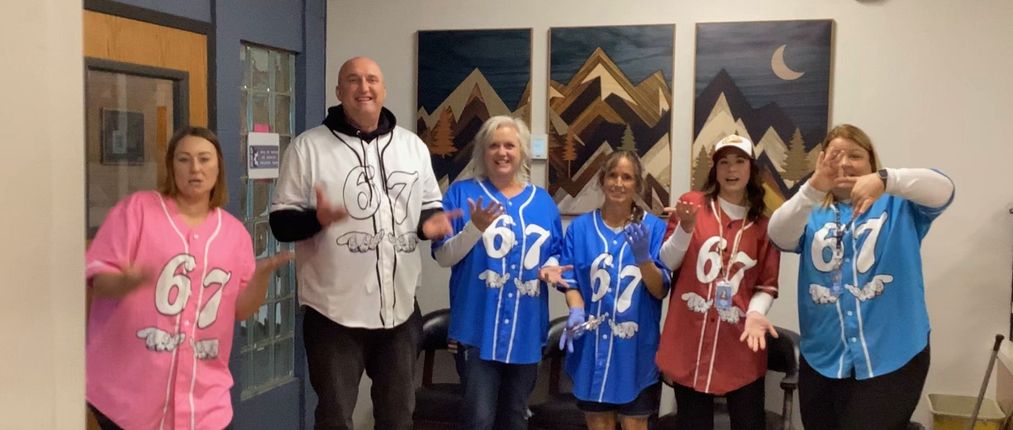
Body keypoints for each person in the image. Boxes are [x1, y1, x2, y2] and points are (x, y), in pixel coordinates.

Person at [269, 56, 455, 430]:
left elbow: (426, 210)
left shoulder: (412, 147)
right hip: (333, 313)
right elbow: (280, 224)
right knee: (336, 417)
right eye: (353, 80)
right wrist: (316, 219)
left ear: (384, 90)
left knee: (398, 416)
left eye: (372, 79)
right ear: (339, 92)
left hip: (400, 311)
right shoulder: (308, 148)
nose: (363, 87)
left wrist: (431, 226)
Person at [85, 127, 292, 430]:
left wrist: (261, 277)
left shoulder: (234, 234)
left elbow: (241, 309)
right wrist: (126, 282)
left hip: (204, 400)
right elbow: (99, 279)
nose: (195, 168)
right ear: (171, 166)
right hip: (128, 396)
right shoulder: (137, 211)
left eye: (204, 159)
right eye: (184, 159)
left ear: (218, 167)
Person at [768, 124, 954, 430]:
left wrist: (887, 180)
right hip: (824, 359)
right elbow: (779, 234)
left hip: (893, 356)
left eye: (855, 155)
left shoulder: (899, 204)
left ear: (871, 162)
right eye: (835, 155)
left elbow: (944, 189)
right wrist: (814, 186)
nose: (844, 163)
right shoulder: (810, 212)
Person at [432, 116, 565, 430]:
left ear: (521, 152)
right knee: (478, 420)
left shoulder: (543, 202)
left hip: (527, 331)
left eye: (509, 145)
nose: (502, 152)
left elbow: (556, 255)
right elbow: (442, 255)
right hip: (476, 330)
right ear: (482, 151)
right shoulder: (460, 195)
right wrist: (473, 229)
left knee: (515, 419)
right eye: (494, 145)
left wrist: (551, 269)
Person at [654, 134, 780, 430]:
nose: (731, 170)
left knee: (749, 423)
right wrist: (685, 229)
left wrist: (756, 313)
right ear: (715, 169)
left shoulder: (764, 225)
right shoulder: (692, 204)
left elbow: (767, 285)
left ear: (751, 169)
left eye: (739, 162)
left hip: (739, 342)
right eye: (724, 162)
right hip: (690, 341)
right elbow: (668, 262)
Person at [548, 150, 670, 430]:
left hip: (636, 351)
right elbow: (572, 282)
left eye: (627, 177)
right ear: (602, 181)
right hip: (592, 349)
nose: (618, 183)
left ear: (637, 185)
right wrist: (576, 308)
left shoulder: (653, 229)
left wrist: (644, 260)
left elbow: (659, 289)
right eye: (612, 175)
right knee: (598, 424)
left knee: (634, 424)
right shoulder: (579, 229)